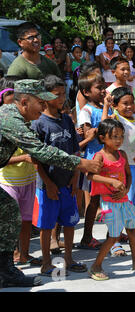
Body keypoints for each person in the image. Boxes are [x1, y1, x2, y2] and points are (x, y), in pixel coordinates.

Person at [0, 79, 101, 288]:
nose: (44, 106)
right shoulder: (10, 118)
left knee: (8, 211)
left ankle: (5, 271)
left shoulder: (19, 115)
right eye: (40, 102)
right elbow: (40, 151)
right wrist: (80, 163)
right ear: (25, 102)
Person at [31, 75, 87, 276]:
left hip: (67, 183)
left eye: (63, 93)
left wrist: (74, 179)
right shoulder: (39, 123)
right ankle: (46, 263)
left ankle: (69, 258)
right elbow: (36, 159)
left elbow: (74, 152)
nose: (62, 98)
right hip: (48, 186)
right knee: (47, 226)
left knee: (70, 222)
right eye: (57, 95)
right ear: (44, 97)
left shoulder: (66, 120)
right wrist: (48, 183)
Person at [88, 119, 135, 280]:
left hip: (124, 201)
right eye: (114, 137)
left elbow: (128, 175)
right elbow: (90, 175)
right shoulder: (100, 156)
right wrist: (112, 181)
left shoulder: (122, 154)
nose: (119, 140)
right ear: (102, 138)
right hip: (109, 202)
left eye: (121, 136)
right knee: (114, 236)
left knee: (132, 230)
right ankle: (96, 265)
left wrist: (127, 189)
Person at [102, 85, 135, 246]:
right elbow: (104, 123)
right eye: (125, 104)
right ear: (115, 106)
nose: (129, 107)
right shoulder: (116, 119)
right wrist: (106, 106)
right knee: (121, 205)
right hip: (125, 168)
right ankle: (114, 241)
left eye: (131, 103)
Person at [0, 78, 41, 267]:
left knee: (24, 220)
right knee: (10, 221)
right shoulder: (7, 121)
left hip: (28, 179)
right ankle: (11, 259)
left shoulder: (28, 122)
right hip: (9, 181)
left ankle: (21, 256)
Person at [77, 72, 112, 250]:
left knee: (111, 198)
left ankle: (113, 233)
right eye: (98, 88)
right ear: (86, 92)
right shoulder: (87, 110)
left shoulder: (108, 107)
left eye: (103, 86)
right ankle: (87, 236)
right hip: (94, 159)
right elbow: (94, 133)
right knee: (94, 200)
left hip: (110, 158)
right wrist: (107, 111)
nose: (103, 90)